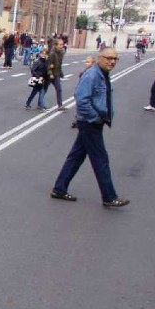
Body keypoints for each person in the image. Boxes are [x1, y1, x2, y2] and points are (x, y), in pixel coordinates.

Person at [51, 48, 129, 208]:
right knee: (100, 159)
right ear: (100, 58)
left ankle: (59, 188)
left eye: (115, 59)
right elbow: (81, 98)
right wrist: (95, 117)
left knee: (76, 156)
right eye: (109, 58)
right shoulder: (92, 74)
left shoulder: (102, 74)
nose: (112, 61)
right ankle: (109, 196)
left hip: (91, 122)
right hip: (90, 122)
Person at [47, 38, 66, 110]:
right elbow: (49, 65)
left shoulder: (61, 53)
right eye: (60, 44)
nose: (62, 46)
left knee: (59, 89)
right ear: (56, 45)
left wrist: (61, 73)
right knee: (43, 89)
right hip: (50, 74)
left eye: (62, 44)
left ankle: (60, 105)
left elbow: (59, 64)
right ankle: (38, 103)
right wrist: (50, 74)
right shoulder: (52, 54)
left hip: (56, 74)